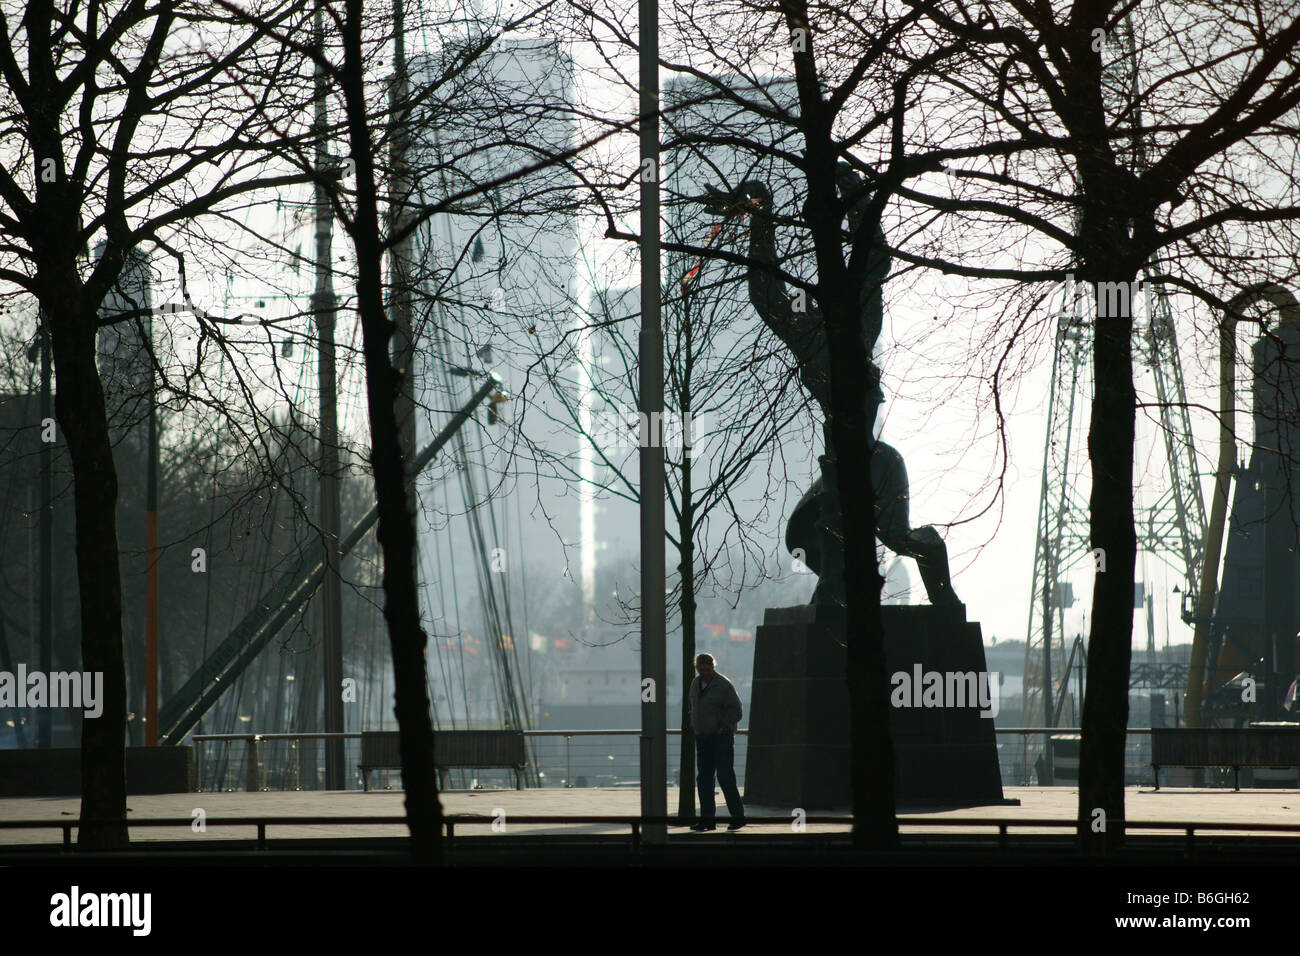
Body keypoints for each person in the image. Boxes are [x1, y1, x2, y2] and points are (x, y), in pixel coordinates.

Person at [688, 653, 746, 831]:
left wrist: (724, 726)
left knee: (725, 776)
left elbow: (737, 710)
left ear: (713, 667)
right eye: (700, 669)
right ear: (697, 668)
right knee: (704, 779)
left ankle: (737, 817)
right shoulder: (695, 684)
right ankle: (707, 820)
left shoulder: (723, 685)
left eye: (706, 669)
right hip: (703, 737)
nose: (704, 672)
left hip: (721, 737)